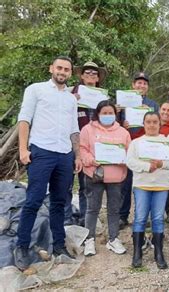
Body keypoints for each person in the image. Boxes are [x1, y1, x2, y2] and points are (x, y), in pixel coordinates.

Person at [15, 56, 81, 270]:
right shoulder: (36, 89)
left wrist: (77, 155)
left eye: (67, 69)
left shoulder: (71, 99)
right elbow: (24, 119)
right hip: (41, 151)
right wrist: (23, 149)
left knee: (59, 203)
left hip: (64, 154)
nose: (62, 72)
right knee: (33, 200)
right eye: (59, 68)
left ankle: (59, 246)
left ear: (70, 73)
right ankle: (22, 247)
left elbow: (74, 129)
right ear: (51, 68)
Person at [126, 112, 169, 269]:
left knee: (157, 218)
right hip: (142, 184)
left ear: (159, 124)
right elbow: (130, 162)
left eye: (155, 122)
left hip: (161, 185)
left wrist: (162, 164)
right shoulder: (136, 142)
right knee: (140, 217)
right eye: (148, 122)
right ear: (144, 123)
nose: (151, 125)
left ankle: (159, 253)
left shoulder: (166, 142)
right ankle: (137, 254)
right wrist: (147, 167)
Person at [80, 100, 131, 256]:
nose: (108, 116)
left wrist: (125, 159)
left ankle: (113, 239)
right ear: (98, 113)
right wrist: (90, 160)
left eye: (111, 113)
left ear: (115, 114)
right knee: (92, 208)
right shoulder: (87, 129)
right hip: (94, 175)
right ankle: (89, 240)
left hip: (116, 177)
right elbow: (82, 149)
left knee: (114, 209)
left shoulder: (123, 132)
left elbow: (130, 152)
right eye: (104, 113)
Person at [64, 61, 107, 226]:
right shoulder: (70, 93)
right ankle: (66, 218)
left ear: (98, 78)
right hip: (70, 145)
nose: (91, 75)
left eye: (94, 73)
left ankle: (84, 219)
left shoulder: (103, 97)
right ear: (81, 76)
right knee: (66, 184)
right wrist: (70, 100)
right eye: (87, 72)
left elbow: (108, 121)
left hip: (91, 148)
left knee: (86, 186)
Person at [119, 72, 158, 229]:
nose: (141, 86)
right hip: (128, 145)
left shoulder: (153, 104)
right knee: (126, 182)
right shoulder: (122, 102)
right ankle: (123, 215)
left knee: (145, 181)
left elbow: (157, 124)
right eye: (138, 83)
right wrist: (123, 124)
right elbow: (115, 122)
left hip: (146, 146)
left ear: (147, 87)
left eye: (144, 83)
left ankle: (144, 216)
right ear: (133, 85)